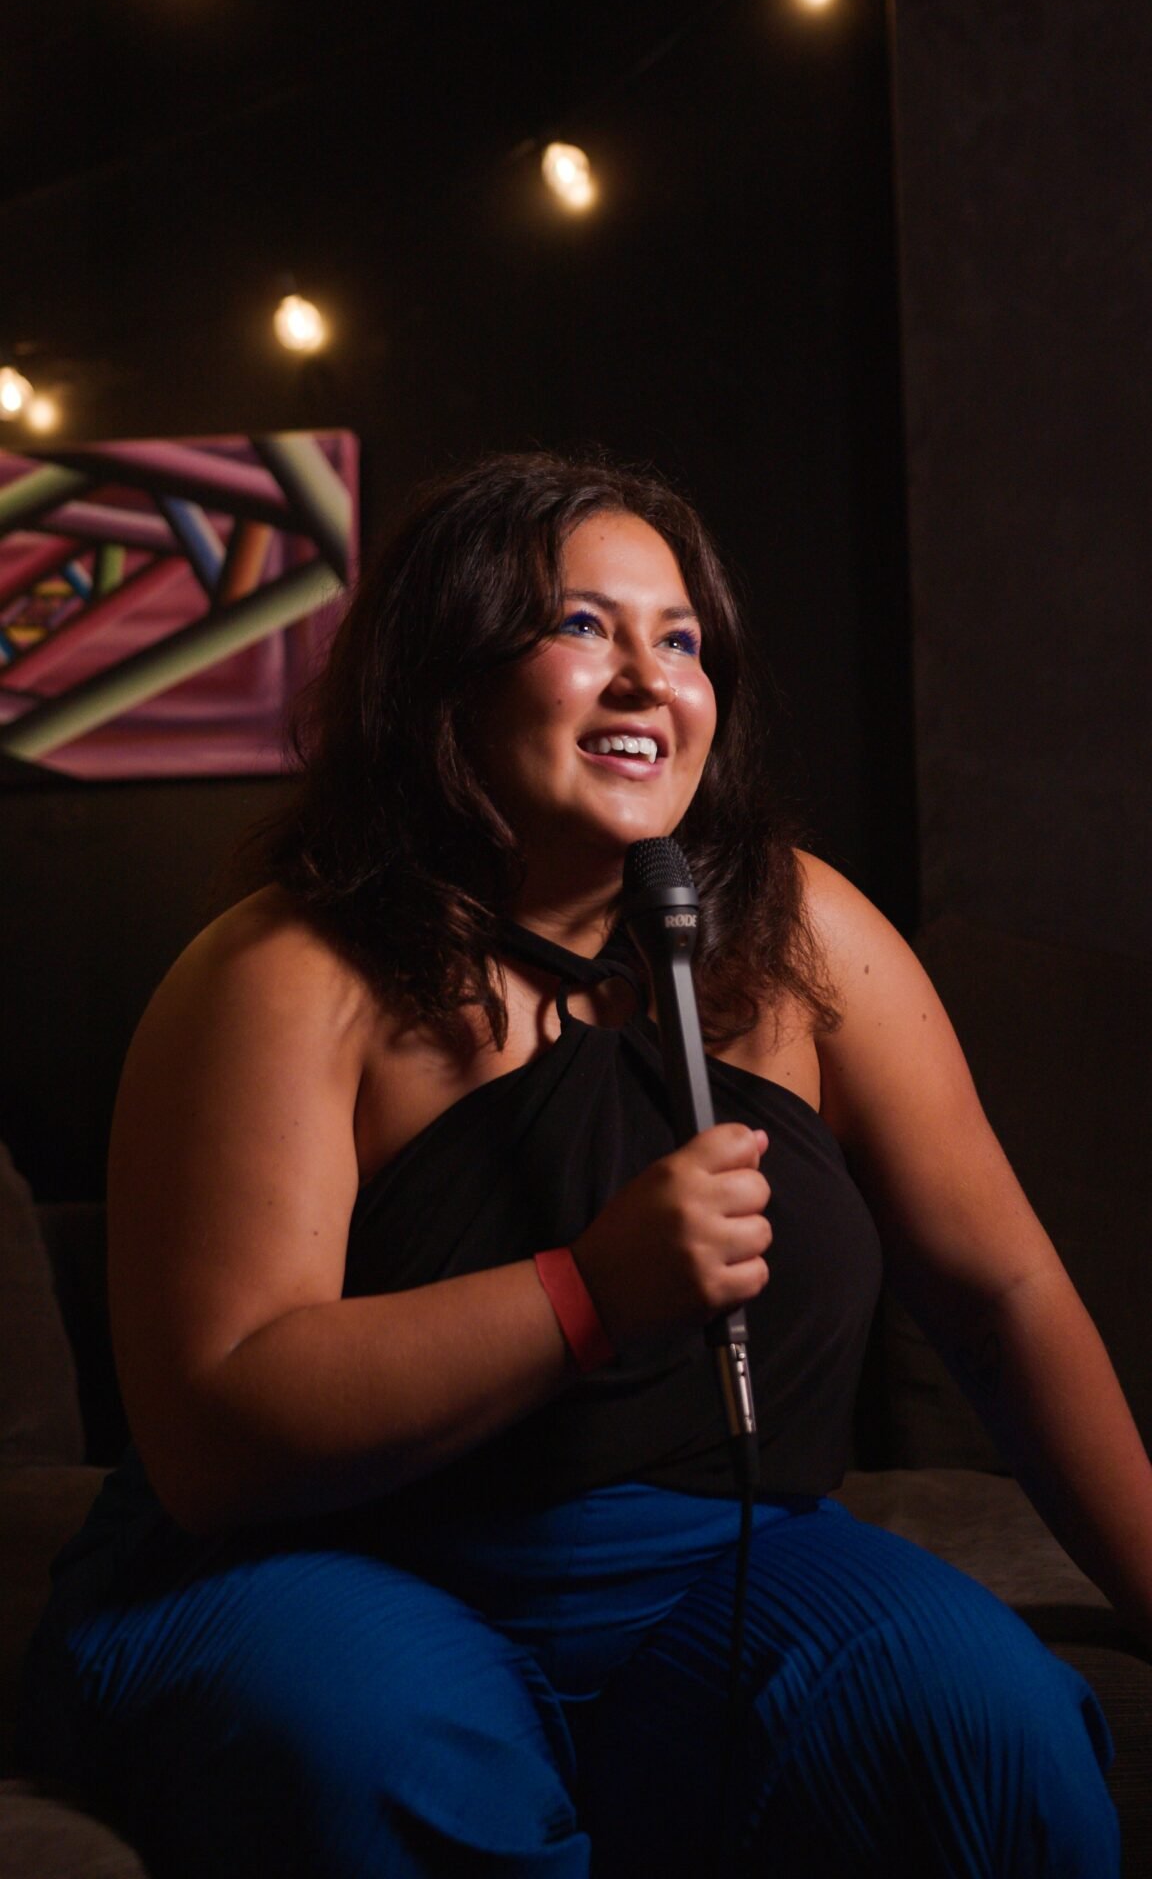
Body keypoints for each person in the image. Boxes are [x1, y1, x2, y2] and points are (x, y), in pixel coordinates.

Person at [18, 451, 1150, 1877]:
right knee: (392, 1757)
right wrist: (587, 1292)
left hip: (708, 1569)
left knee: (987, 1733)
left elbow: (1002, 1298)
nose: (646, 682)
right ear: (447, 676)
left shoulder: (802, 933)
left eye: (678, 641)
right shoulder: (285, 971)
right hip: (334, 1563)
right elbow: (215, 1433)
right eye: (580, 628)